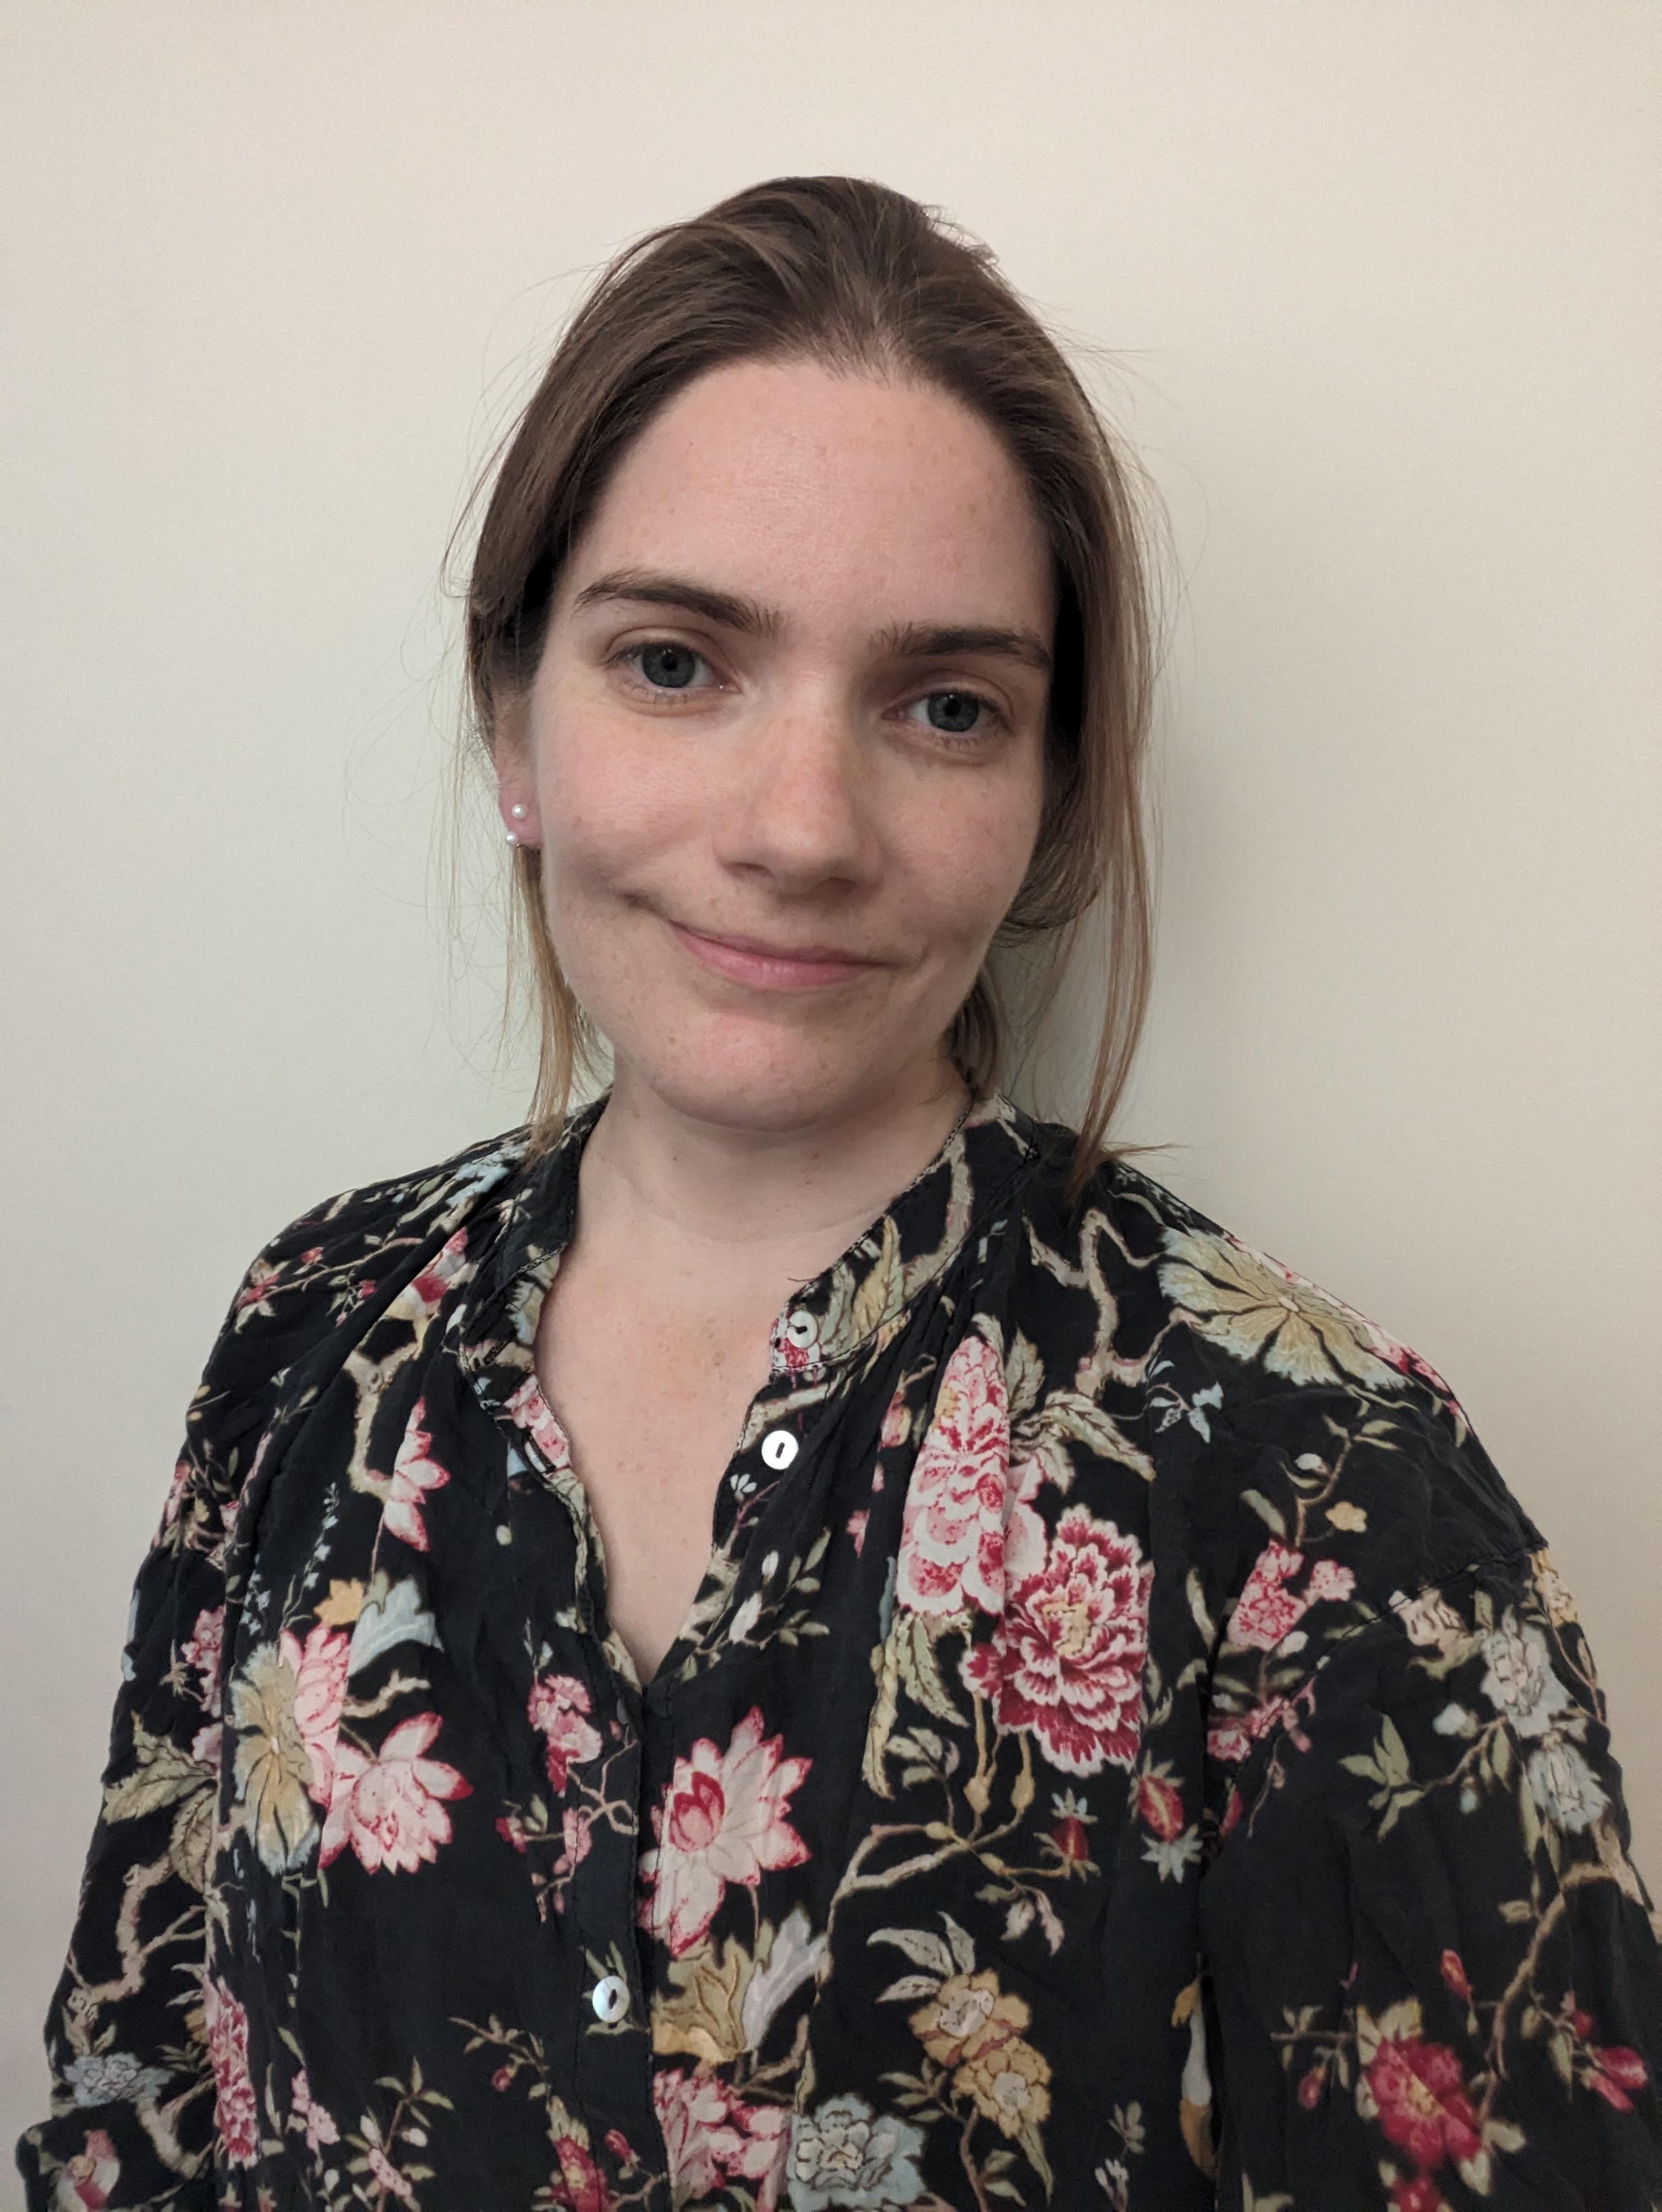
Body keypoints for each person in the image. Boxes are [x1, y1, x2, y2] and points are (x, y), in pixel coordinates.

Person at [16, 173, 1660, 2212]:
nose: (801, 830)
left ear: (1047, 800)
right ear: (511, 720)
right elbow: (136, 2111)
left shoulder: (1329, 1497)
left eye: (944, 706)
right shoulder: (309, 1338)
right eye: (678, 663)